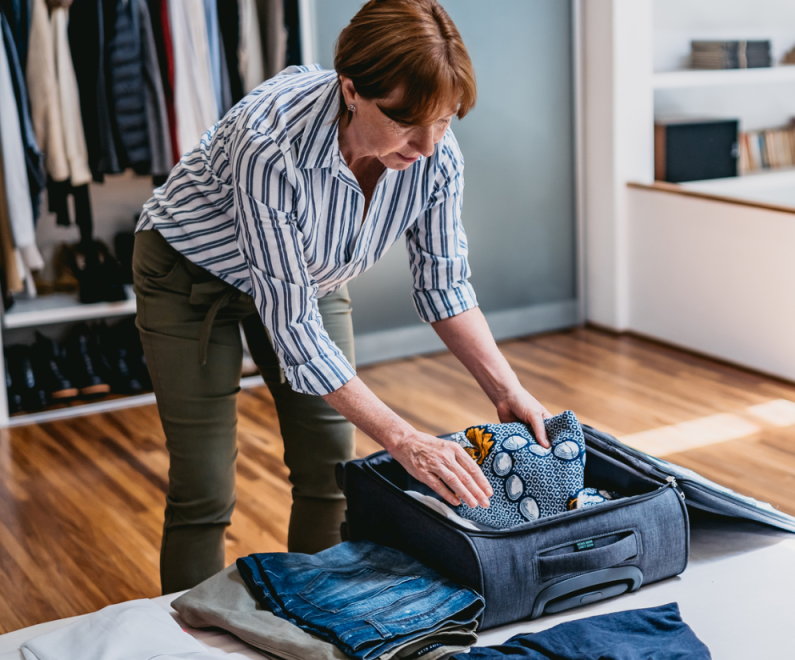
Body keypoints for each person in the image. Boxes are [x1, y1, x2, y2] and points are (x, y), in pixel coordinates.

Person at [133, 0, 551, 593]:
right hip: (190, 275)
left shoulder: (436, 157)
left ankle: (316, 625)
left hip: (311, 278)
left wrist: (508, 391)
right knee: (205, 488)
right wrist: (405, 438)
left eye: (446, 120)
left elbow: (445, 284)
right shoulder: (270, 140)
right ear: (351, 89)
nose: (429, 145)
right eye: (408, 121)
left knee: (332, 470)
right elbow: (296, 330)